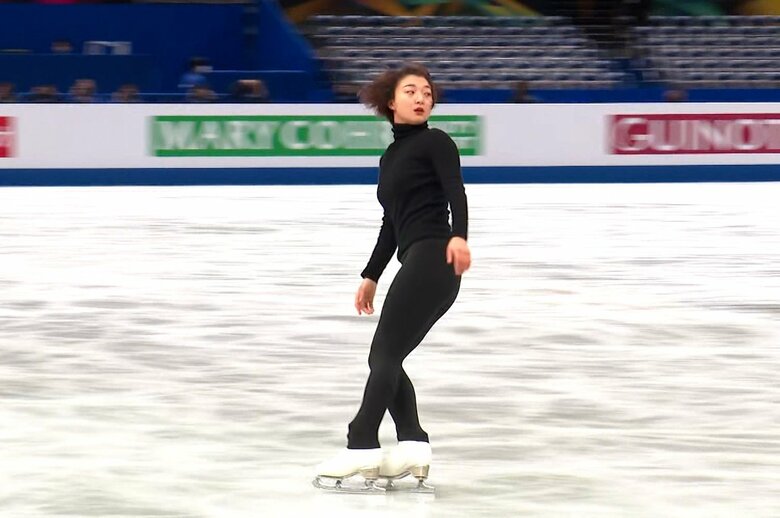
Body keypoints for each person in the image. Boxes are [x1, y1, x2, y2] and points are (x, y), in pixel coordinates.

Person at [313, 63, 471, 492]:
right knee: (388, 356)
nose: (421, 98)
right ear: (391, 101)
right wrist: (371, 275)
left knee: (383, 355)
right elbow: (391, 223)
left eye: (427, 93)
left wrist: (459, 236)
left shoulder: (437, 142)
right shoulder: (391, 157)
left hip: (436, 257)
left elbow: (456, 191)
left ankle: (361, 441)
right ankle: (413, 443)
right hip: (418, 259)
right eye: (411, 91)